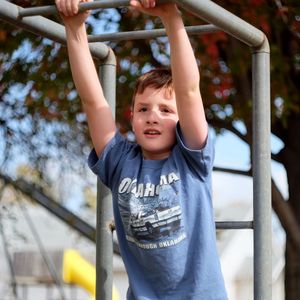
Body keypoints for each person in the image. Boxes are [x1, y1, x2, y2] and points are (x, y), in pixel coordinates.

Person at [56, 0, 228, 299]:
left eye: (165, 110)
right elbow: (93, 102)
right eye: (144, 108)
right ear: (132, 118)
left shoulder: (191, 160)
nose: (153, 116)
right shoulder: (120, 161)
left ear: (181, 120)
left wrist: (170, 16)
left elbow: (188, 90)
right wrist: (74, 27)